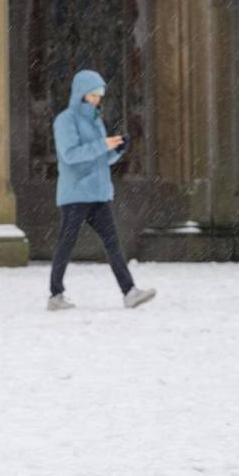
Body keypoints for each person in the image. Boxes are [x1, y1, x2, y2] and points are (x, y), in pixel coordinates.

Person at [48, 70, 156, 311]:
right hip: (76, 194)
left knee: (112, 243)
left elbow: (99, 159)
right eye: (92, 94)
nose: (96, 99)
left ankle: (129, 292)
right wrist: (102, 144)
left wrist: (116, 151)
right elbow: (70, 155)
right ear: (81, 94)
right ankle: (55, 295)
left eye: (99, 95)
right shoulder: (65, 120)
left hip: (98, 194)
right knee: (66, 243)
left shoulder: (95, 120)